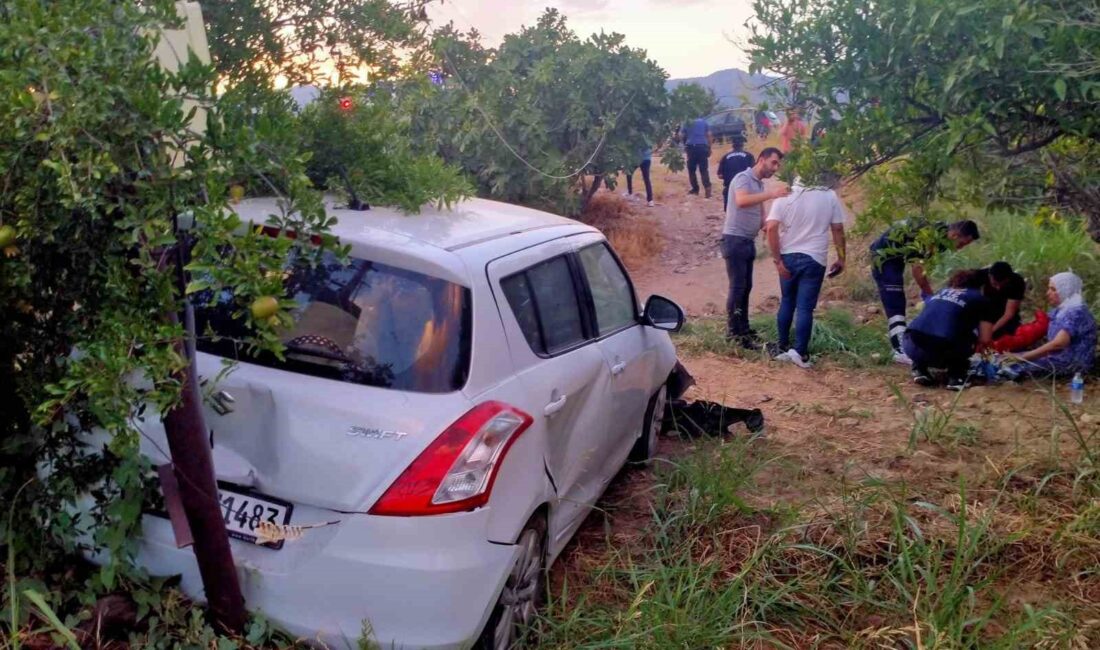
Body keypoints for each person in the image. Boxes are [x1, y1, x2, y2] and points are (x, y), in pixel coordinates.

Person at [764, 172, 847, 368]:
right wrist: (842, 258)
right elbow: (837, 229)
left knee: (787, 301)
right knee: (805, 308)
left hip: (788, 256)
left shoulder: (786, 196)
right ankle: (800, 351)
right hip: (815, 258)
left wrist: (777, 260)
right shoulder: (829, 195)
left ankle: (783, 345)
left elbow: (771, 227)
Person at [870, 219, 981, 364]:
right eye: (962, 244)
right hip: (884, 257)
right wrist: (930, 295)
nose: (960, 248)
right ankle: (899, 351)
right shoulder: (929, 236)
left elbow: (922, 265)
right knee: (895, 303)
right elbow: (917, 269)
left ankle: (901, 346)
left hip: (896, 257)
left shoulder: (938, 233)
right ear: (954, 235)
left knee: (898, 300)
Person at [722, 147, 790, 349]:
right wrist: (772, 194)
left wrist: (772, 225)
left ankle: (744, 330)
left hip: (746, 241)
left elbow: (761, 216)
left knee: (746, 288)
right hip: (735, 240)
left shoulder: (758, 184)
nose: (775, 168)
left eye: (778, 164)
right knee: (737, 288)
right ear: (762, 160)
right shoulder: (743, 178)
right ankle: (734, 334)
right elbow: (741, 201)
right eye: (773, 163)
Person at [903, 269, 995, 390]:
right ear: (983, 285)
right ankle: (957, 376)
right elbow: (985, 339)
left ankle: (919, 368)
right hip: (945, 350)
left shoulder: (941, 292)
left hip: (912, 346)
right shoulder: (981, 299)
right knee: (969, 335)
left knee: (924, 330)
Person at [1001, 272, 1096, 379]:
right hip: (1056, 358)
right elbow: (1040, 328)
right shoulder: (1061, 310)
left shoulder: (1076, 312)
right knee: (1004, 359)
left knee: (1012, 368)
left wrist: (1024, 356)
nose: (1048, 293)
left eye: (1053, 289)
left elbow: (1058, 344)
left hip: (1071, 364)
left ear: (1066, 290)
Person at [979, 261, 1025, 339]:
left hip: (1005, 317)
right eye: (994, 284)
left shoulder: (1017, 282)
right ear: (989, 276)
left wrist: (990, 332)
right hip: (985, 312)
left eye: (1002, 285)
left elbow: (1009, 314)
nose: (998, 288)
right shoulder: (980, 275)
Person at [717, 133, 754, 211]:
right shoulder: (749, 156)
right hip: (745, 189)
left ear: (732, 145)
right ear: (743, 145)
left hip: (730, 188)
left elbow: (720, 175)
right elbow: (754, 172)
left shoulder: (725, 157)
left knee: (729, 212)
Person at [681, 117, 713, 198]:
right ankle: (707, 188)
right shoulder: (704, 122)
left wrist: (685, 143)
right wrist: (709, 148)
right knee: (704, 169)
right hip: (703, 147)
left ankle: (695, 189)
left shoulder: (686, 122)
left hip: (691, 147)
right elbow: (709, 135)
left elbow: (682, 135)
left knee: (691, 170)